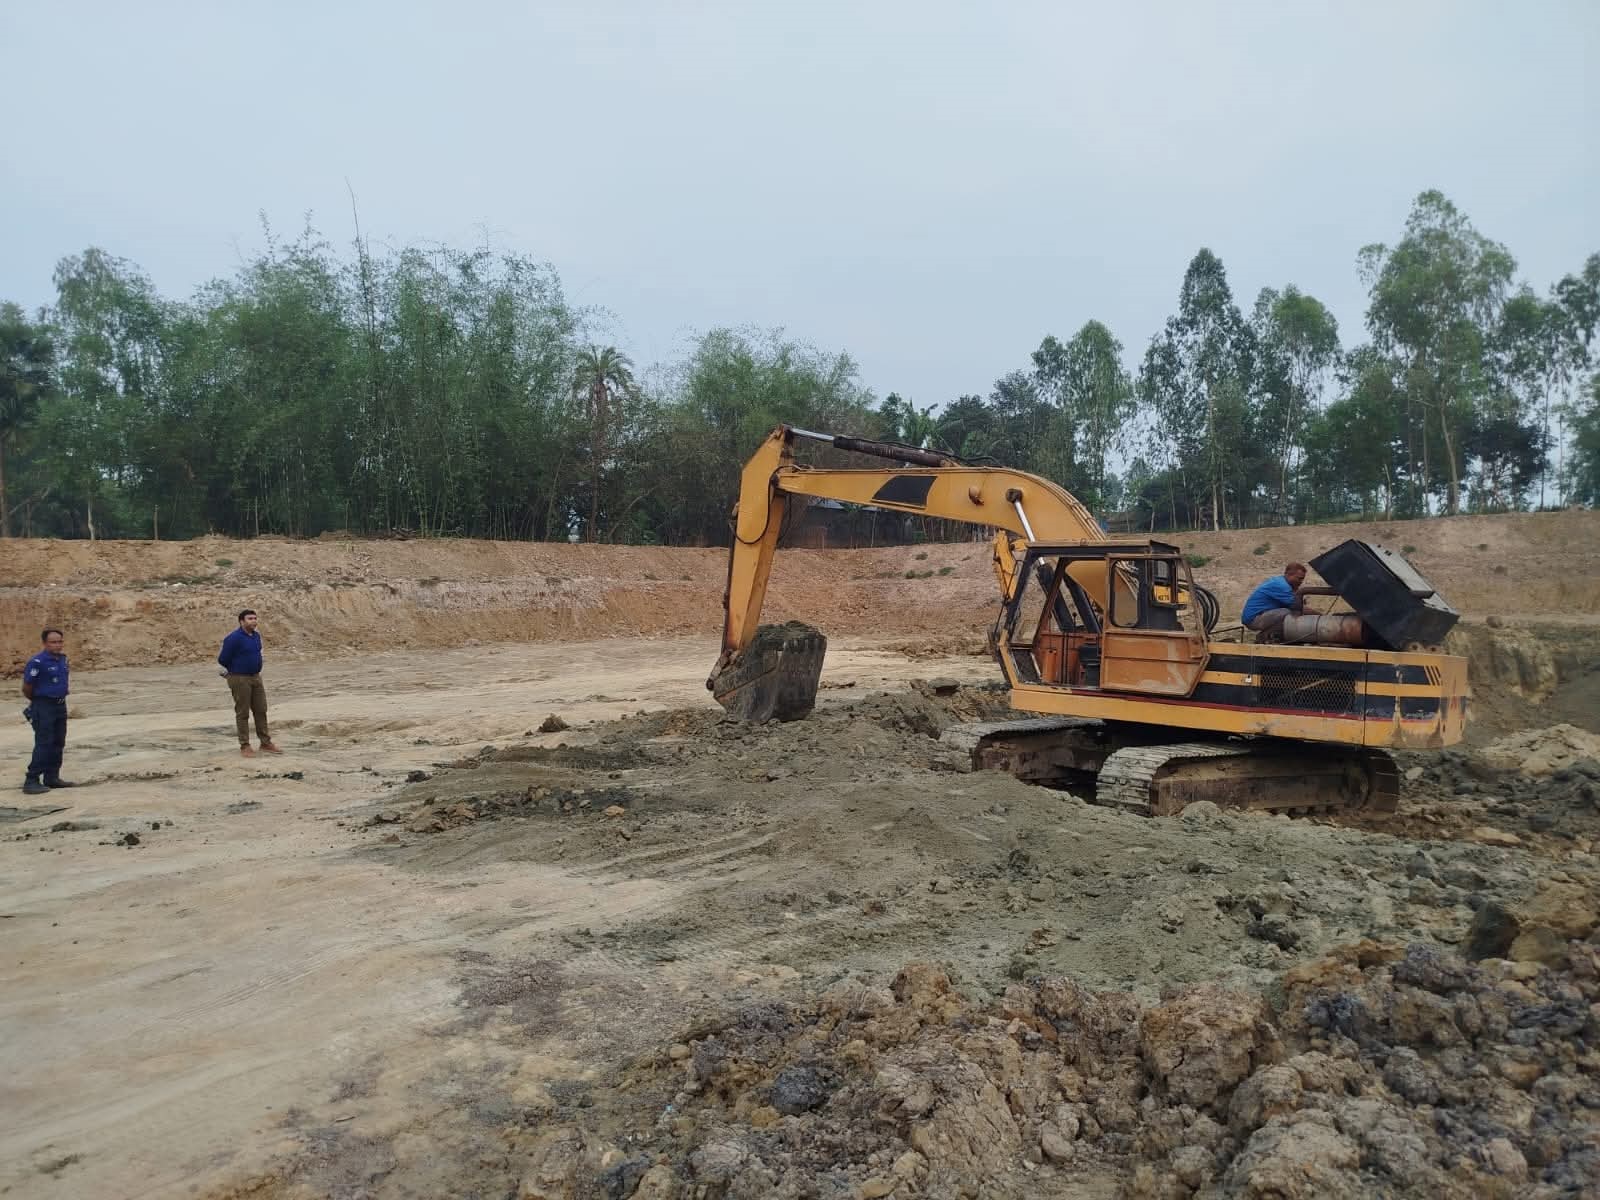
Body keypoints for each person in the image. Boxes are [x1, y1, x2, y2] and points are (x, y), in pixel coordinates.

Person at [218, 609, 280, 757]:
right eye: (250, 618)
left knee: (261, 710)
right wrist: (233, 671)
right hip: (239, 678)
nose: (253, 621)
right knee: (243, 712)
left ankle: (265, 743)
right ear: (242, 621)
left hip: (255, 677)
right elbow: (223, 659)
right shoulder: (233, 638)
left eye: (255, 618)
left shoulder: (256, 636)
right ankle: (244, 745)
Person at [21, 628, 74, 794]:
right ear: (45, 643)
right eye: (53, 642)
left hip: (60, 705)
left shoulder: (62, 660)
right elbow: (27, 687)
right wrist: (38, 702)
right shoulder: (37, 662)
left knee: (58, 742)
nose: (57, 645)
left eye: (60, 641)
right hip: (44, 705)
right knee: (44, 743)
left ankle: (52, 777)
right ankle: (31, 780)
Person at [1242, 562, 1308, 642]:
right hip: (1254, 619)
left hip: (1261, 615)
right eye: (1299, 578)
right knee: (1288, 613)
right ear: (1289, 575)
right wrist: (1321, 617)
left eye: (1302, 579)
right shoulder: (1282, 586)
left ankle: (1276, 637)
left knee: (1291, 612)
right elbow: (1299, 608)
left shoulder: (1281, 582)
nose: (1301, 582)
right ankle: (1264, 636)